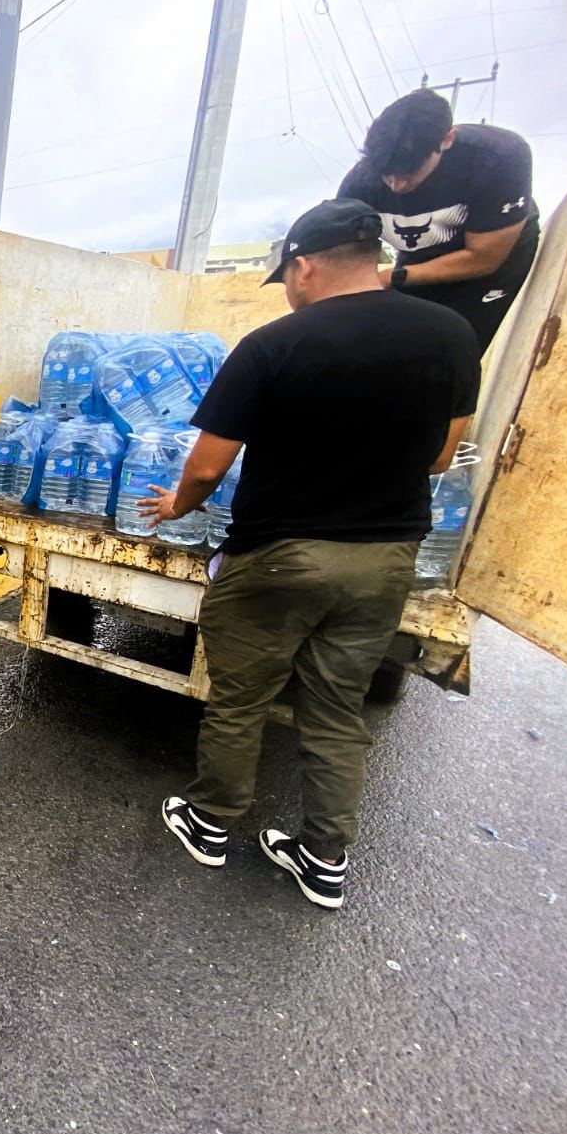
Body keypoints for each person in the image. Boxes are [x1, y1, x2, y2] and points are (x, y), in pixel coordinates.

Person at [142, 199, 481, 909]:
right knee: (336, 707)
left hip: (280, 554)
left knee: (242, 695)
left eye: (288, 278)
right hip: (385, 556)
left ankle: (209, 823)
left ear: (304, 265)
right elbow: (441, 457)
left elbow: (207, 466)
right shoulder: (451, 335)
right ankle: (323, 859)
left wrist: (178, 505)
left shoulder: (273, 344)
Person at [338, 88, 539, 351]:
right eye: (387, 175)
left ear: (447, 139)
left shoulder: (499, 158)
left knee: (462, 346)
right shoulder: (360, 185)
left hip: (491, 266)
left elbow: (484, 258)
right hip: (417, 260)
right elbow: (339, 257)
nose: (397, 185)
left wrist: (392, 278)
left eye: (409, 173)